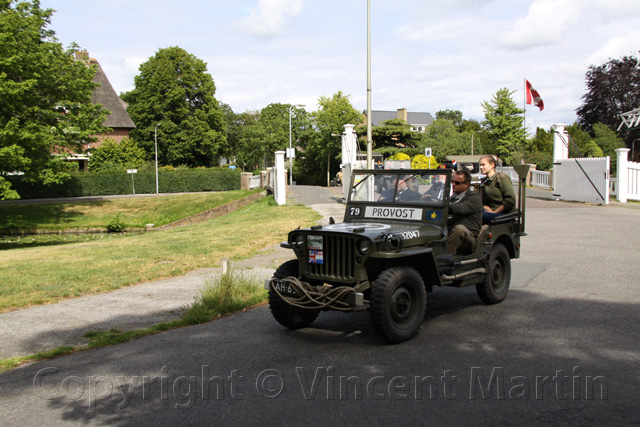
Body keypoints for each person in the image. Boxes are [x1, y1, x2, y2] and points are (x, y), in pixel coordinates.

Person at [447, 169, 482, 255]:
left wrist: (442, 205)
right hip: (451, 233)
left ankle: (446, 259)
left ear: (466, 184)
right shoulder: (453, 197)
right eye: (452, 181)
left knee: (459, 229)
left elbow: (460, 209)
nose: (453, 184)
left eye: (457, 183)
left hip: (469, 237)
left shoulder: (474, 198)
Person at [478, 155, 516, 223]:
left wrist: (494, 212)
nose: (481, 167)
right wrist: (487, 209)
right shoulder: (484, 181)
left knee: (480, 215)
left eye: (483, 165)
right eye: (480, 165)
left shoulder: (501, 178)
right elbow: (483, 201)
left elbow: (510, 200)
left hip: (504, 214)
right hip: (490, 212)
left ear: (492, 165)